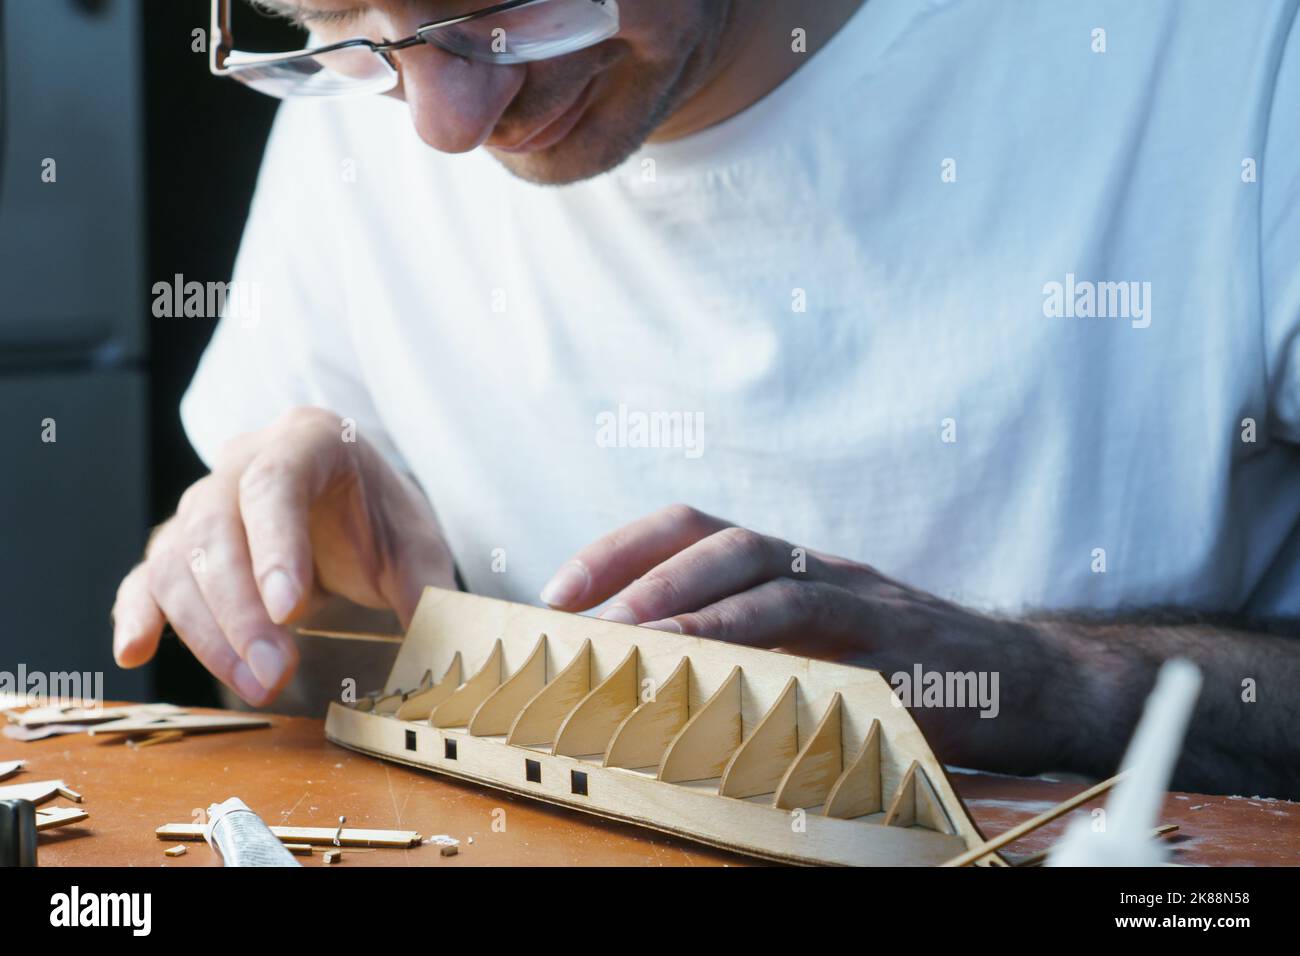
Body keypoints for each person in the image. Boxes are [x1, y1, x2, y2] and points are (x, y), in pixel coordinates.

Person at [112, 0, 1300, 797]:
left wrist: (1045, 684)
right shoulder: (364, 101)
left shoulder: (1229, 56)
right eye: (334, 26)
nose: (444, 126)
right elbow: (316, 699)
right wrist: (297, 599)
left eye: (509, 4)